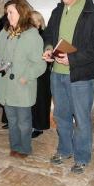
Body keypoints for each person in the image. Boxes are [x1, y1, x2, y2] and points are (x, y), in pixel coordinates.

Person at [42, 0, 94, 174]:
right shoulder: (58, 10)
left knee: (81, 118)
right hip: (57, 73)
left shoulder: (92, 12)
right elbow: (49, 33)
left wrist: (73, 58)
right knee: (61, 115)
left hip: (80, 75)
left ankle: (82, 157)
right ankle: (65, 149)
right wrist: (48, 48)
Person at [0, 0, 46, 157]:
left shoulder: (32, 35)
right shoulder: (4, 33)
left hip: (22, 86)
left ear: (21, 13)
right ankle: (15, 146)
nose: (8, 16)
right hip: (6, 86)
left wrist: (26, 77)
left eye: (11, 13)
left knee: (23, 122)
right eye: (7, 13)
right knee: (12, 120)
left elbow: (40, 64)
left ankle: (25, 148)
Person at [0, 0, 27, 129]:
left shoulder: (28, 20)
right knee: (6, 92)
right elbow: (0, 40)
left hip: (21, 67)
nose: (15, 1)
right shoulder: (4, 19)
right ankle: (9, 121)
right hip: (7, 63)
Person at [30, 10, 52, 138]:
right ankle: (32, 123)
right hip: (32, 71)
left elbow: (46, 53)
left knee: (41, 100)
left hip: (42, 72)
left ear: (39, 22)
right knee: (32, 99)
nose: (31, 23)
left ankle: (39, 126)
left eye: (33, 20)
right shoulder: (29, 35)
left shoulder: (44, 35)